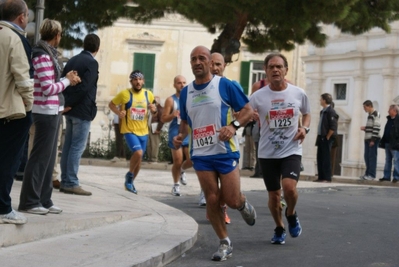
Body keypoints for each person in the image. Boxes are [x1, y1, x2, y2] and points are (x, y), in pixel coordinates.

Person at [173, 46, 257, 261]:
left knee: (230, 198)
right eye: (193, 59)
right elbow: (185, 120)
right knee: (211, 200)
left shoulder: (225, 85)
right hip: (201, 154)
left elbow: (248, 110)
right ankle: (224, 242)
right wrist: (181, 135)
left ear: (210, 62)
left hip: (225, 151)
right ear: (190, 64)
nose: (197, 62)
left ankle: (241, 203)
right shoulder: (186, 92)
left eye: (202, 58)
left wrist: (233, 126)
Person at [18, 19, 81, 215]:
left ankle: (44, 199)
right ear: (56, 35)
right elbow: (47, 88)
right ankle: (29, 201)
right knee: (39, 158)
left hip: (53, 111)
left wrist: (65, 79)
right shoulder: (41, 55)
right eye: (60, 34)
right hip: (44, 111)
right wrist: (67, 81)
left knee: (49, 158)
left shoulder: (48, 54)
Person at [249, 52, 311, 245]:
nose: (275, 70)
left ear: (285, 70)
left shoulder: (298, 93)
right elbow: (245, 113)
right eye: (271, 67)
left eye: (279, 66)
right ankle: (279, 226)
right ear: (265, 71)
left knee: (289, 188)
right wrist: (249, 116)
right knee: (274, 195)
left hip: (291, 149)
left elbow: (307, 114)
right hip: (267, 152)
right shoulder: (257, 96)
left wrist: (304, 128)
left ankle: (291, 213)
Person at [0, 0, 33, 225]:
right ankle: (3, 208)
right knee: (8, 161)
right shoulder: (16, 39)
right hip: (11, 112)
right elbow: (23, 78)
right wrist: (29, 105)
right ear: (21, 17)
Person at [60, 33, 100, 196]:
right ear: (97, 48)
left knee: (68, 146)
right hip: (81, 110)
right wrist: (71, 103)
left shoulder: (72, 60)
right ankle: (71, 182)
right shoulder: (92, 62)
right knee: (76, 147)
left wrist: (66, 103)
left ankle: (65, 180)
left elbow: (64, 81)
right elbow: (86, 88)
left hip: (69, 110)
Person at [109, 70, 157, 194]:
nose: (138, 82)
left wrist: (154, 110)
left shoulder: (149, 94)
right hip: (129, 130)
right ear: (131, 81)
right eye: (135, 79)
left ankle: (130, 183)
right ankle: (129, 175)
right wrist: (119, 113)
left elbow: (154, 109)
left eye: (140, 79)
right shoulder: (124, 94)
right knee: (138, 152)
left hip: (144, 132)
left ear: (143, 81)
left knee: (139, 160)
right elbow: (111, 104)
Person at [161, 75, 193, 197]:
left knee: (193, 159)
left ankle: (183, 171)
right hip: (175, 132)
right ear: (174, 85)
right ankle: (175, 185)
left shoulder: (191, 98)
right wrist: (173, 115)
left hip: (188, 132)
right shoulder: (171, 100)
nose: (182, 85)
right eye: (179, 83)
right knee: (178, 160)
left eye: (184, 82)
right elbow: (163, 118)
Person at [314, 93, 338, 183]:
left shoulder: (331, 111)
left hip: (326, 138)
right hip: (321, 137)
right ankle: (321, 176)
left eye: (321, 99)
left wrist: (327, 136)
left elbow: (333, 127)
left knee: (326, 158)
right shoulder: (322, 111)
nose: (320, 101)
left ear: (324, 100)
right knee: (319, 157)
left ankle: (327, 178)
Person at [360, 100, 381, 180]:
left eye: (365, 107)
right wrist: (366, 128)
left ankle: (372, 175)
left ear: (369, 106)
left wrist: (373, 140)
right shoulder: (370, 115)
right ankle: (367, 174)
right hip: (368, 138)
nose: (364, 109)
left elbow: (377, 127)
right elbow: (372, 127)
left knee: (372, 157)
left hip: (372, 139)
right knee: (367, 157)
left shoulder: (376, 114)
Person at [379, 104, 399, 182]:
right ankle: (386, 176)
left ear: (394, 111)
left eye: (389, 109)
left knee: (396, 160)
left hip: (395, 144)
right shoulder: (389, 119)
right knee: (388, 160)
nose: (388, 111)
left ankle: (396, 177)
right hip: (387, 143)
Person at [146, 96, 164, 163]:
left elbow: (162, 120)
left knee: (154, 144)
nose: (153, 102)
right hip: (149, 127)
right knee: (149, 144)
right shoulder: (151, 109)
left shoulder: (160, 109)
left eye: (155, 100)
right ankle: (150, 157)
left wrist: (158, 129)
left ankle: (154, 158)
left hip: (155, 128)